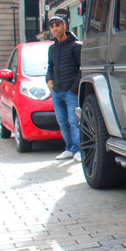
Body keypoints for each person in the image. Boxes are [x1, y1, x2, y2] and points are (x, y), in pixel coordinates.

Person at [46, 15, 82, 161]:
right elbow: (50, 66)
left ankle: (79, 150)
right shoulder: (52, 48)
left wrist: (74, 88)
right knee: (62, 121)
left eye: (58, 25)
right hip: (56, 91)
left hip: (70, 91)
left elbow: (81, 69)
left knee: (74, 122)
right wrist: (48, 79)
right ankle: (69, 148)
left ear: (64, 26)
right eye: (52, 26)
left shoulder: (76, 46)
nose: (55, 28)